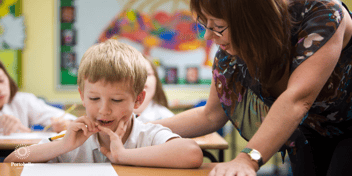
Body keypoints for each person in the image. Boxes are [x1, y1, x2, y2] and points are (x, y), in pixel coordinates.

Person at [153, 0, 352, 175]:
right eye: (205, 25)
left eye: (218, 26)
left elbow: (297, 99)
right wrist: (143, 129)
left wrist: (247, 159)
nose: (207, 36)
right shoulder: (231, 53)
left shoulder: (322, 14)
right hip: (310, 128)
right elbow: (210, 115)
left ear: (252, 19)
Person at [4, 39, 203, 168]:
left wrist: (123, 156)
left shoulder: (146, 133)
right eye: (94, 99)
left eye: (116, 100)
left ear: (138, 100)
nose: (104, 110)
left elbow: (192, 153)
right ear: (82, 95)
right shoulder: (73, 137)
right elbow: (13, 159)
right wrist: (62, 146)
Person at [0, 61, 75, 135]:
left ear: (8, 78)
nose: (0, 89)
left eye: (1, 80)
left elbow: (69, 119)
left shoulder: (22, 100)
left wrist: (64, 124)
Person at [134, 57, 174, 123]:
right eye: (135, 74)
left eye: (148, 74)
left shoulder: (167, 118)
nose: (141, 79)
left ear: (156, 80)